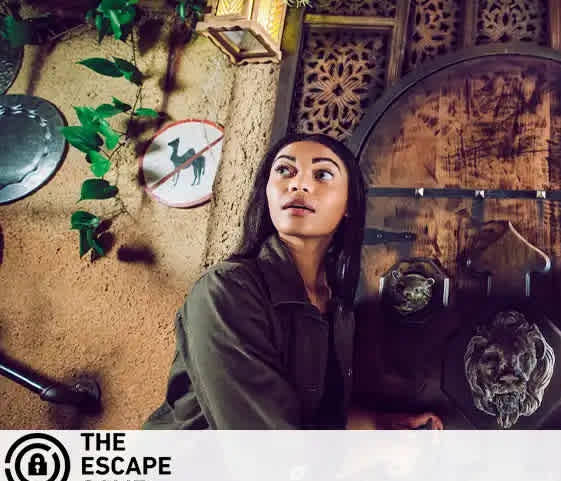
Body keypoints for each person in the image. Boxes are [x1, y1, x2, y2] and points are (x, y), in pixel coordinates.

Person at [144, 134, 441, 430]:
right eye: (285, 171)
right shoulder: (226, 291)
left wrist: (382, 425)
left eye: (322, 174)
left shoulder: (337, 308)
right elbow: (268, 451)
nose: (298, 184)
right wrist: (377, 452)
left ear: (349, 204)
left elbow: (313, 420)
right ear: (268, 192)